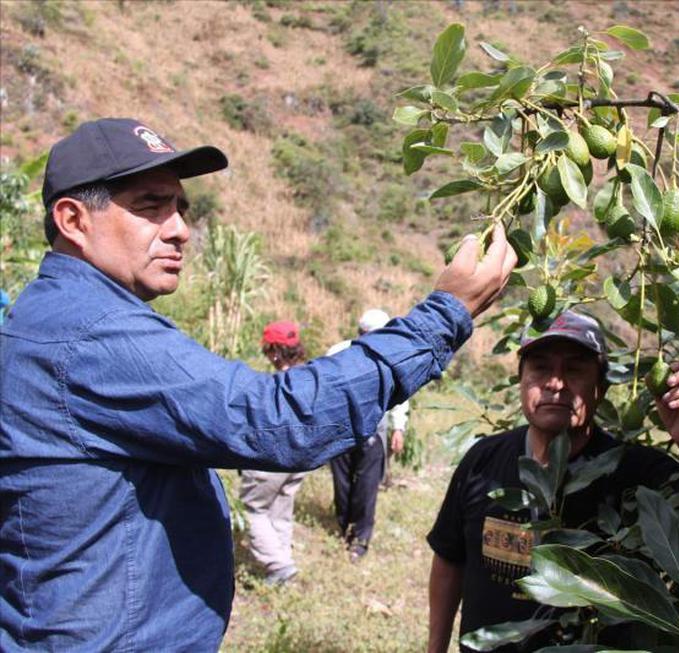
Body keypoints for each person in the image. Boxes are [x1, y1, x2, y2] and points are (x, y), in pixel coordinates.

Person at [0, 117, 516, 651]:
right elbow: (280, 422)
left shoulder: (54, 318)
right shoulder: (91, 333)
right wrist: (444, 314)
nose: (178, 228)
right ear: (73, 220)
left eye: (181, 209)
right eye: (151, 206)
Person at [426, 311, 679, 653]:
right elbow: (450, 559)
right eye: (540, 368)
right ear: (521, 381)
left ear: (601, 388)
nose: (556, 383)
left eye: (574, 369)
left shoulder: (635, 471)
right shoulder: (482, 459)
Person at [326, 308, 410, 562]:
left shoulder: (391, 358)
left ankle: (361, 539)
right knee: (341, 482)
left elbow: (400, 396)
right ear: (361, 333)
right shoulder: (338, 352)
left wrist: (398, 427)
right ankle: (344, 526)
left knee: (367, 484)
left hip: (374, 429)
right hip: (340, 428)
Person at [238, 320, 311, 585]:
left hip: (272, 457)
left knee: (253, 509)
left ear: (276, 351)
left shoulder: (276, 385)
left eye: (268, 350)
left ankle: (278, 565)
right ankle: (283, 559)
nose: (267, 356)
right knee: (281, 506)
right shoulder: (310, 376)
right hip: (302, 455)